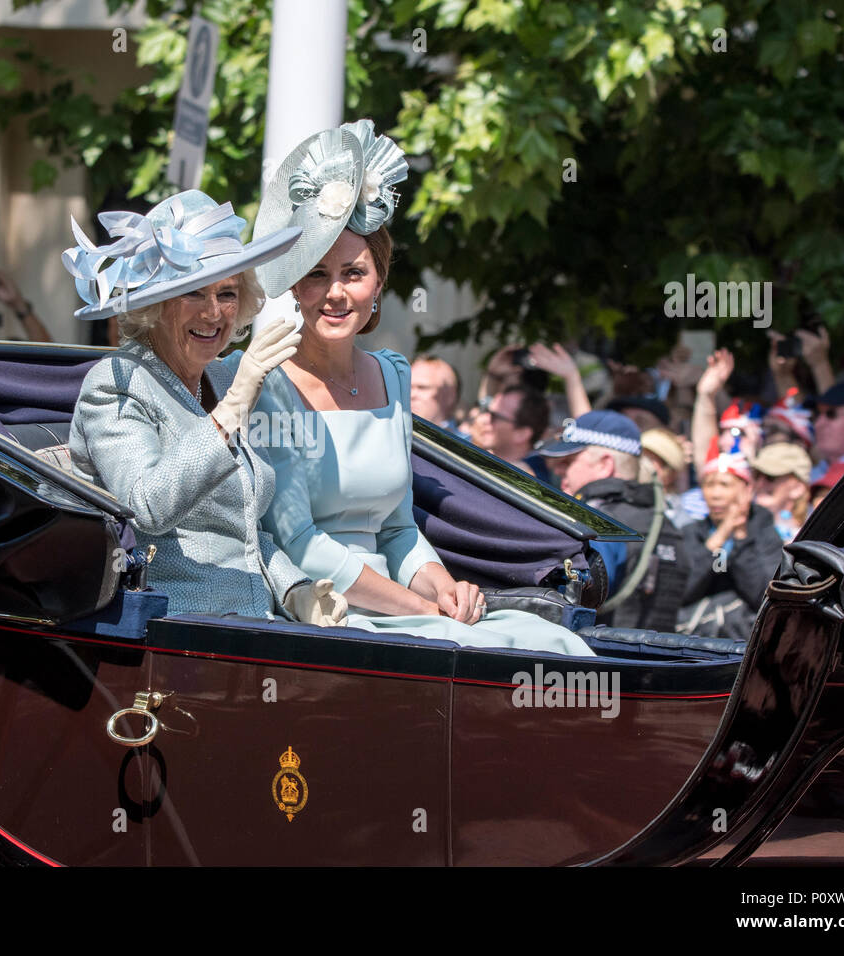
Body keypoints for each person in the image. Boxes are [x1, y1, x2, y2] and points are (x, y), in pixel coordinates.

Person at [241, 120, 593, 656]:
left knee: (554, 644)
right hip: (326, 614)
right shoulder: (270, 382)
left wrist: (445, 588)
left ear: (379, 281)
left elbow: (398, 529)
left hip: (408, 610)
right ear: (294, 283)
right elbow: (300, 544)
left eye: (352, 273)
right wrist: (424, 610)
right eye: (316, 274)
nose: (334, 293)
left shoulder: (393, 374)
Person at [64, 188, 345, 626]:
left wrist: (295, 590)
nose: (214, 313)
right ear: (155, 305)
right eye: (194, 293)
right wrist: (232, 408)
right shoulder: (117, 382)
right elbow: (146, 506)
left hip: (256, 623)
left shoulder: (221, 379)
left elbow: (243, 534)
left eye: (228, 294)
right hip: (174, 630)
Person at [538, 411, 691, 631]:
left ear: (604, 464)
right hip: (654, 661)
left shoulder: (597, 523)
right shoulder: (666, 525)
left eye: (568, 462)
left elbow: (571, 600)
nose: (558, 470)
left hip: (593, 662)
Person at [677, 440, 784, 640]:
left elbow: (763, 594)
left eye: (725, 485)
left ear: (747, 490)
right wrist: (720, 537)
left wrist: (741, 536)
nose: (715, 494)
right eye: (709, 485)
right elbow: (682, 591)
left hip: (744, 639)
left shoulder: (765, 533)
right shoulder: (690, 532)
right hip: (693, 636)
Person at [472, 384, 548, 475]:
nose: (484, 419)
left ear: (521, 434)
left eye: (495, 417)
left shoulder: (533, 481)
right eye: (486, 411)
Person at [750, 442, 813, 543]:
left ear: (797, 488)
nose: (760, 484)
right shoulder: (738, 524)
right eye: (757, 475)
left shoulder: (812, 537)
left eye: (770, 477)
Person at [410, 355, 460, 430]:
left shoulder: (472, 441)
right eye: (408, 388)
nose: (411, 395)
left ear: (450, 396)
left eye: (422, 388)